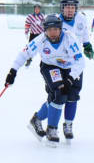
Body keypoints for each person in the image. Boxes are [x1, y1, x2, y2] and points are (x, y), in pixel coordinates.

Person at [5, 14, 85, 146]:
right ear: (45, 31)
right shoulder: (41, 40)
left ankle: (37, 119)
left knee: (68, 96)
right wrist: (13, 71)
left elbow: (80, 62)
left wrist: (70, 79)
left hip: (70, 68)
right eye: (49, 30)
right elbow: (24, 54)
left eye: (55, 29)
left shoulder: (69, 39)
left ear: (60, 29)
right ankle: (51, 130)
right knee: (59, 94)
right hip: (51, 67)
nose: (52, 33)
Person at [58, 0, 94, 140]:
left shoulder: (81, 19)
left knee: (73, 97)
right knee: (58, 97)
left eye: (73, 7)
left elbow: (84, 36)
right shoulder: (56, 21)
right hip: (59, 64)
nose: (70, 10)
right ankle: (47, 123)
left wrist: (87, 46)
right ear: (62, 8)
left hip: (76, 64)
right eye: (67, 7)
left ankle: (68, 125)